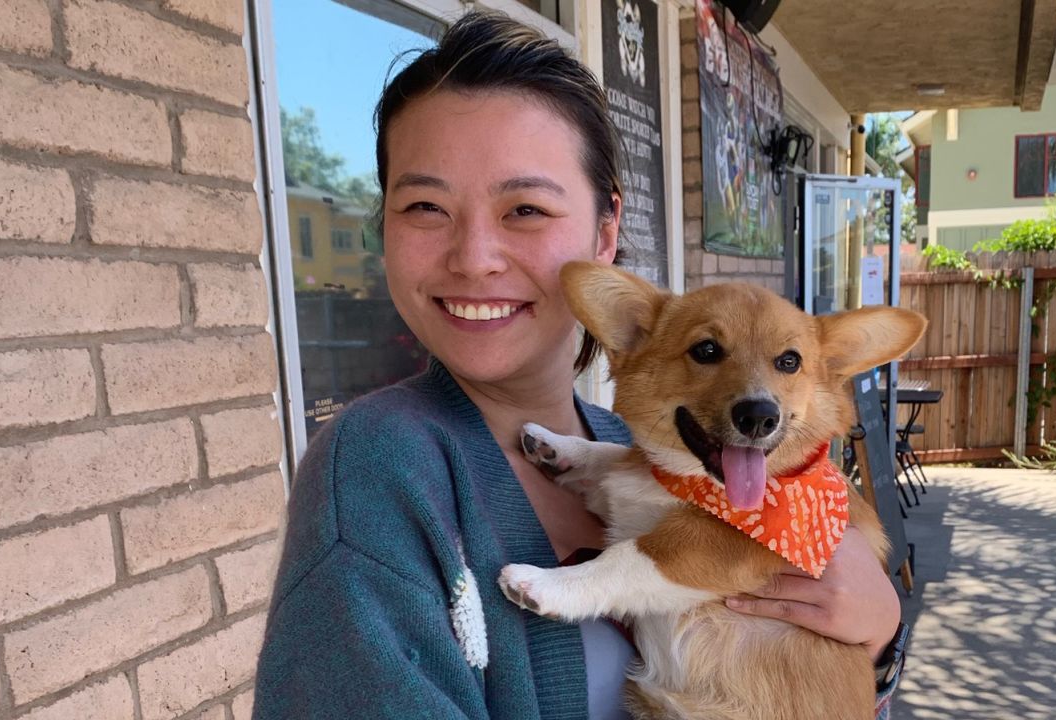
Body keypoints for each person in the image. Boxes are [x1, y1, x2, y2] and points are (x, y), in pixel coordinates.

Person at [253, 11, 905, 719]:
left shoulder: (647, 451)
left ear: (605, 232)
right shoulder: (380, 467)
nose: (474, 257)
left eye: (525, 208)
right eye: (424, 205)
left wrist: (874, 647)